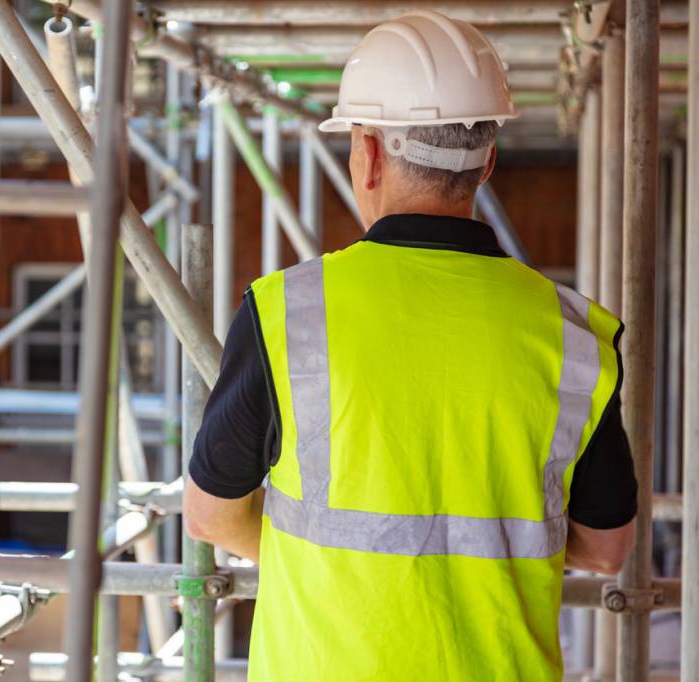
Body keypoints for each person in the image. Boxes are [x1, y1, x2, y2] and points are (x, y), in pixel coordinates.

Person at [182, 10, 638, 681]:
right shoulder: (575, 335)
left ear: (366, 153)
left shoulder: (287, 313)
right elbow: (605, 553)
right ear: (486, 161)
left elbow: (211, 516)